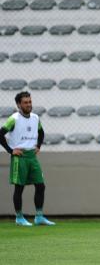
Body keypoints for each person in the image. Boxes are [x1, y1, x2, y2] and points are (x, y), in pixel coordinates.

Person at [0, 91, 55, 226]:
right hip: (20, 157)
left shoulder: (35, 118)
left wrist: (38, 146)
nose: (29, 104)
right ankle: (19, 217)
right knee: (19, 187)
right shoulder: (14, 118)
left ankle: (39, 216)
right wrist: (10, 150)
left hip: (32, 156)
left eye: (30, 102)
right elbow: (1, 134)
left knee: (40, 185)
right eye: (25, 102)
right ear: (19, 104)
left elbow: (41, 132)